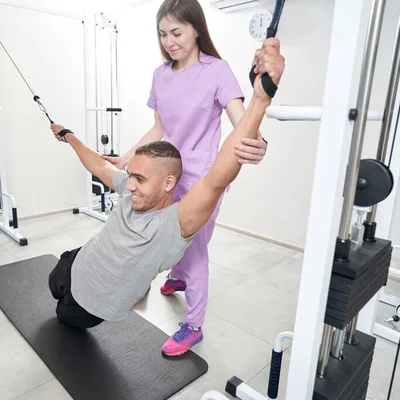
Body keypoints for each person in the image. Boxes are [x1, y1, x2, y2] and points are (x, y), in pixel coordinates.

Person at [47, 37, 285, 357]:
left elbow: (217, 178)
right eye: (131, 176)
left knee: (62, 316)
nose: (129, 187)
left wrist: (260, 99)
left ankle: (192, 322)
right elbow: (97, 164)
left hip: (87, 303)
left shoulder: (172, 225)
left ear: (168, 182)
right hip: (75, 262)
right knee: (53, 282)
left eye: (139, 179)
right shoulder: (131, 188)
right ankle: (175, 275)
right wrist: (69, 135)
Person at [101, 0, 269, 356]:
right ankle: (177, 276)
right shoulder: (161, 75)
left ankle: (193, 324)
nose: (169, 41)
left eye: (176, 32)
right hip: (167, 176)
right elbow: (159, 128)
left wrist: (259, 142)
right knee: (166, 237)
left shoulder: (217, 70)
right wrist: (126, 157)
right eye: (163, 34)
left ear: (196, 29)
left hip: (202, 178)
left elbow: (244, 121)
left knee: (194, 250)